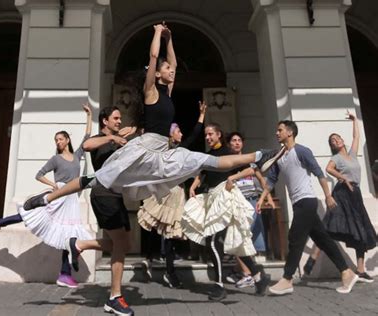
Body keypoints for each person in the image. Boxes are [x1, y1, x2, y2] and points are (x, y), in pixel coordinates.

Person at [22, 23, 283, 214]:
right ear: (157, 75)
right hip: (142, 149)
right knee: (95, 180)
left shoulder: (168, 92)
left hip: (164, 152)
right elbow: (154, 57)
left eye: (171, 70)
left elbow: (173, 62)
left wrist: (170, 38)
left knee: (208, 160)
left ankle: (259, 156)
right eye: (167, 70)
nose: (171, 71)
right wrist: (157, 33)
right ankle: (46, 199)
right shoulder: (150, 91)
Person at [0, 103, 93, 288]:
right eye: (55, 140)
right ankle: (1, 223)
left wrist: (90, 115)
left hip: (72, 199)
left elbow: (87, 137)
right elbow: (39, 174)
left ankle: (64, 274)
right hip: (58, 195)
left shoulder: (77, 156)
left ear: (67, 140)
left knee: (68, 235)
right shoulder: (55, 159)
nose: (58, 142)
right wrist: (54, 185)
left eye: (60, 139)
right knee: (32, 214)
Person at [257, 120, 359, 295]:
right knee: (323, 240)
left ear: (290, 133)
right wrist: (261, 198)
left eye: (279, 130)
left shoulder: (302, 151)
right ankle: (347, 272)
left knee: (295, 237)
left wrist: (327, 195)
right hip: (298, 203)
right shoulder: (279, 155)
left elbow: (319, 174)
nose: (276, 133)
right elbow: (271, 180)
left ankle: (287, 279)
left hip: (307, 201)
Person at [184, 124, 270, 301]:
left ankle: (219, 285)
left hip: (226, 199)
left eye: (210, 134)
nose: (207, 137)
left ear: (218, 135)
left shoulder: (227, 151)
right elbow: (203, 173)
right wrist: (194, 185)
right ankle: (259, 277)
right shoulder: (209, 155)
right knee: (232, 241)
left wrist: (233, 177)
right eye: (206, 135)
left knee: (213, 242)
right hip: (213, 198)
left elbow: (251, 169)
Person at [66, 106, 137, 316]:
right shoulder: (100, 139)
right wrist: (111, 139)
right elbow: (86, 145)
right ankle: (115, 297)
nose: (119, 121)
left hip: (116, 196)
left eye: (120, 118)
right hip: (103, 195)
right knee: (120, 244)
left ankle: (80, 244)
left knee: (124, 244)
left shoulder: (117, 138)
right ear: (104, 121)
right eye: (115, 118)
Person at [139, 101, 207, 288]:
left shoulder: (181, 149)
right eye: (178, 131)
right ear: (171, 133)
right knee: (152, 224)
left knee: (170, 234)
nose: (181, 134)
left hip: (176, 194)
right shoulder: (160, 148)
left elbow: (193, 136)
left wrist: (201, 116)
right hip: (161, 192)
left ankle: (170, 272)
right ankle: (149, 257)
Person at [303, 112, 376, 282]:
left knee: (361, 229)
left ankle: (360, 269)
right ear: (333, 147)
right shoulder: (335, 158)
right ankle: (313, 256)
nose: (336, 141)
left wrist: (354, 121)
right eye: (332, 141)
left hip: (355, 194)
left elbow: (356, 136)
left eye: (337, 138)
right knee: (330, 225)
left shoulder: (351, 154)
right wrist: (342, 178)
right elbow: (329, 169)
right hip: (342, 193)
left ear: (342, 140)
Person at [224, 132, 274, 288]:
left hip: (252, 201)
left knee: (247, 238)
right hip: (239, 203)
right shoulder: (229, 162)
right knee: (241, 237)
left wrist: (268, 197)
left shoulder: (250, 161)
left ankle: (244, 272)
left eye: (239, 140)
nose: (237, 143)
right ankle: (245, 273)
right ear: (229, 144)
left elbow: (260, 178)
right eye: (233, 141)